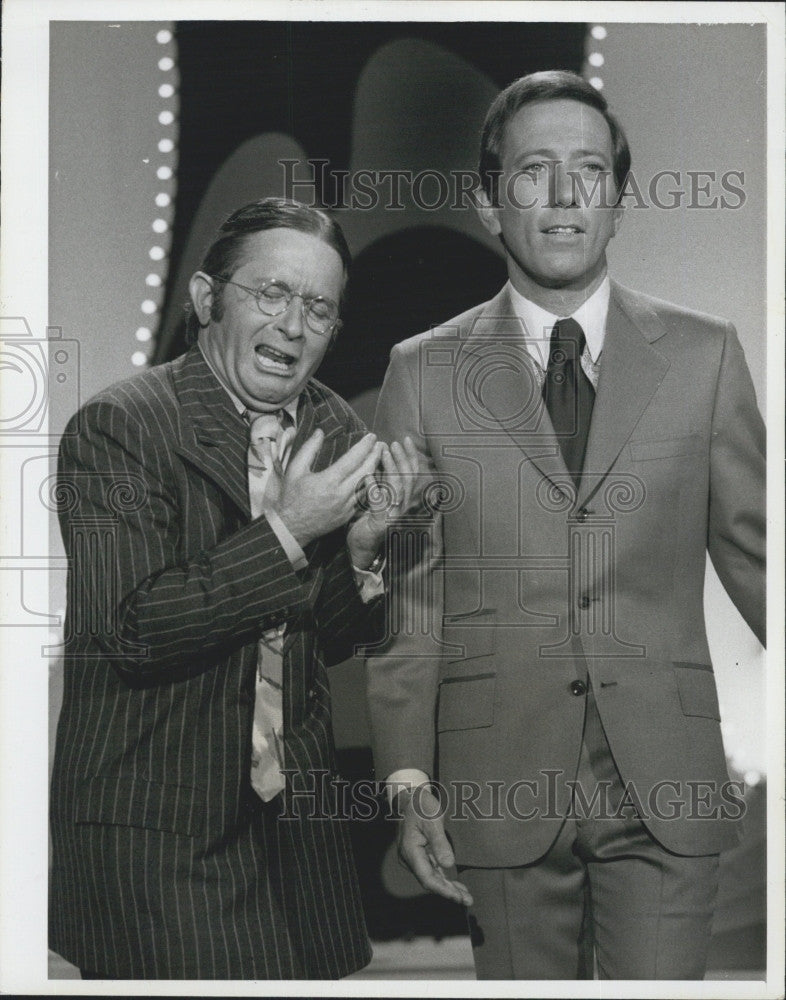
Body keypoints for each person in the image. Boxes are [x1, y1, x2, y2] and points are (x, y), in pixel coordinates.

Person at [367, 71, 765, 980]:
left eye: (588, 171)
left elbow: (762, 558)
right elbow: (409, 599)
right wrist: (407, 777)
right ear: (485, 203)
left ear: (618, 204)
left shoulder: (705, 357)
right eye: (533, 171)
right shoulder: (421, 372)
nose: (561, 196)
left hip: (664, 782)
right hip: (497, 785)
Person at [49, 197, 417, 979]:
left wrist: (358, 551)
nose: (293, 325)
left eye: (318, 308)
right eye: (272, 294)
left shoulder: (335, 431)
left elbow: (335, 637)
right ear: (207, 300)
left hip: (296, 837)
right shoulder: (120, 428)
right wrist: (287, 531)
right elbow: (133, 629)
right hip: (158, 835)